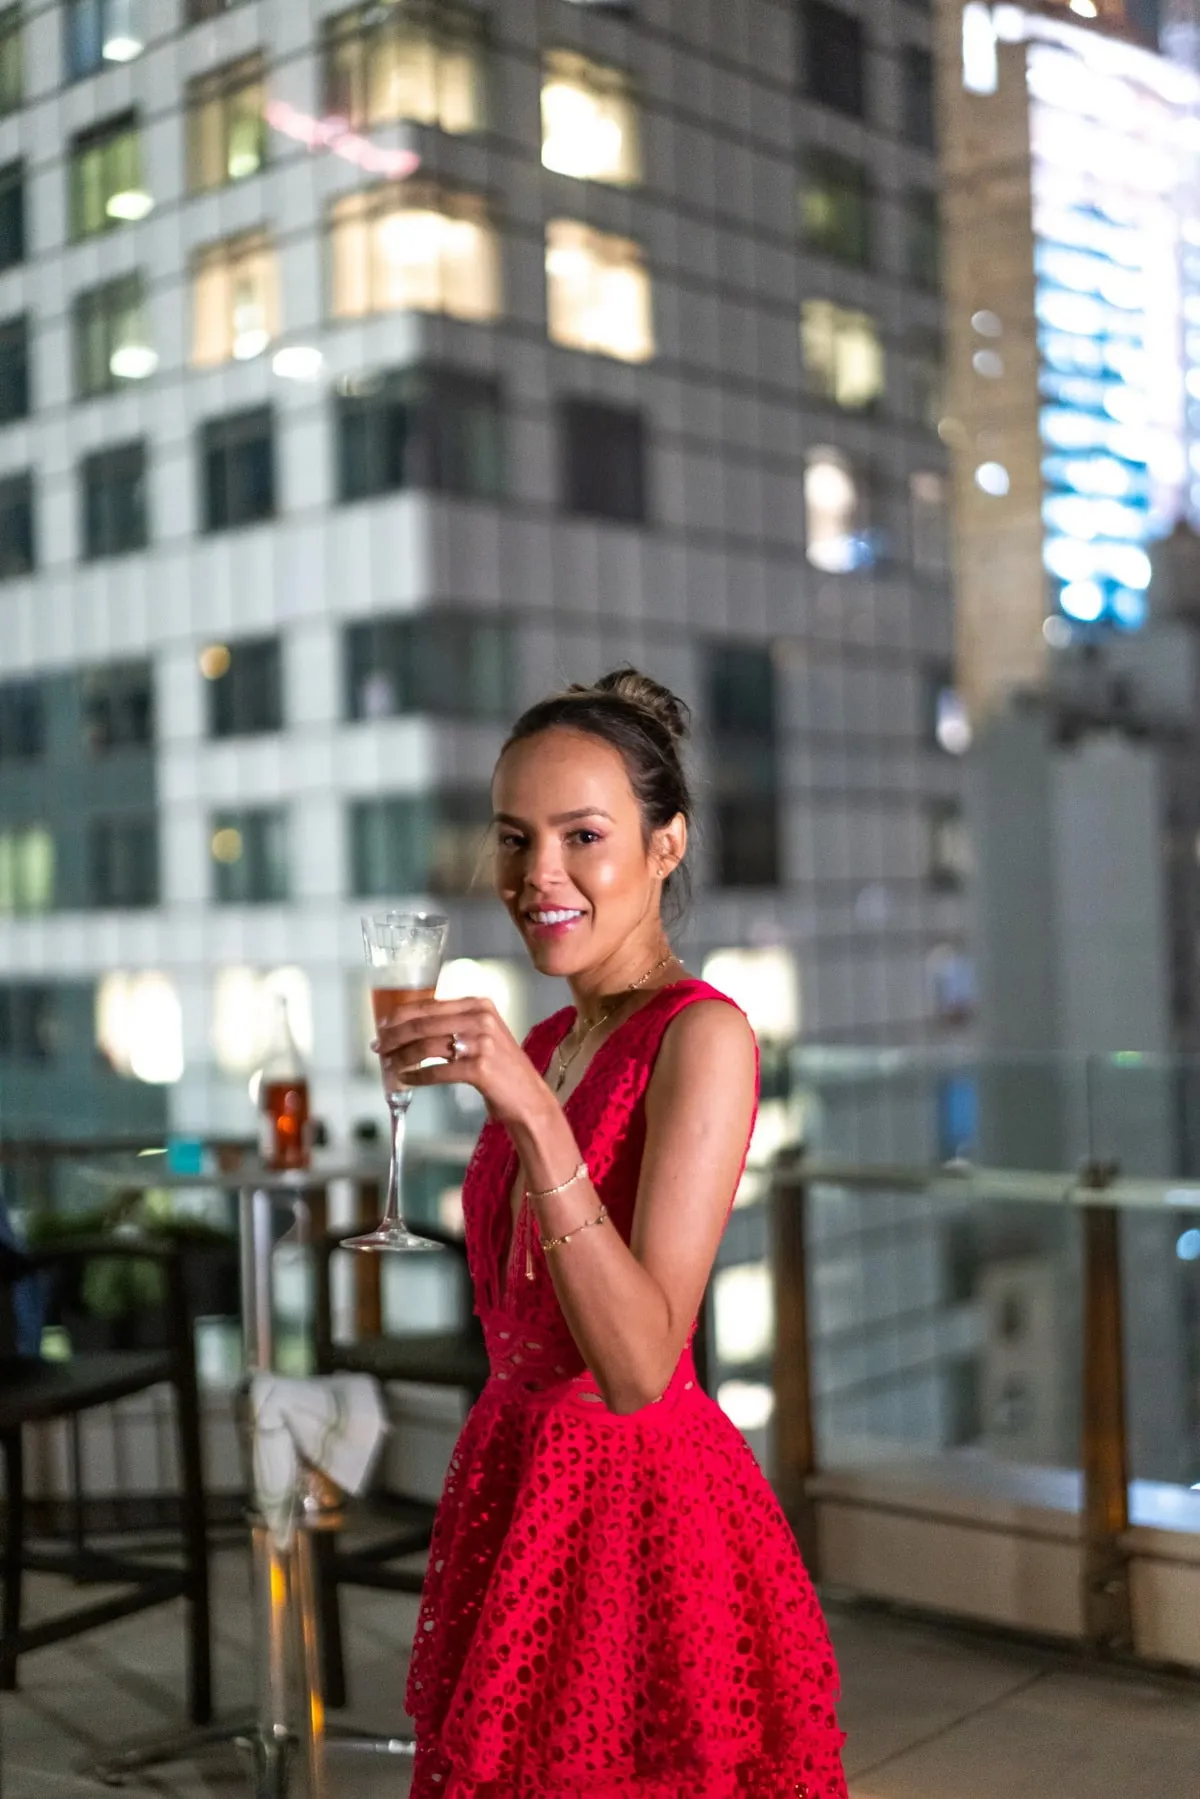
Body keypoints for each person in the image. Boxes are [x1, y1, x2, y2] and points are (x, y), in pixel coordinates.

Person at [374, 670, 848, 1799]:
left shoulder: (705, 1037)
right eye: (514, 837)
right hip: (518, 1479)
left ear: (666, 844)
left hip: (641, 1511)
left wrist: (532, 1117)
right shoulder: (546, 1036)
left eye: (583, 835)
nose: (539, 874)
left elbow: (638, 1366)